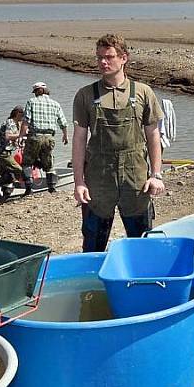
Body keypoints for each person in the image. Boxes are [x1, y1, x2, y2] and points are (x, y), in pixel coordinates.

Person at [72, 34, 165, 252]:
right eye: (99, 58)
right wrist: (79, 182)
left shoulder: (143, 92)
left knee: (141, 244)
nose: (103, 62)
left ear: (124, 58)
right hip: (99, 180)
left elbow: (153, 135)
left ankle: (141, 283)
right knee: (93, 245)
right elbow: (78, 140)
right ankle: (93, 283)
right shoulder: (85, 95)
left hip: (135, 178)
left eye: (109, 57)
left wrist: (156, 175)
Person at [20, 81, 68, 195]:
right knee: (49, 163)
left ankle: (28, 189)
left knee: (27, 162)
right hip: (49, 137)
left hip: (35, 136)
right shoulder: (55, 104)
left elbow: (26, 121)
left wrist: (21, 136)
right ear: (46, 91)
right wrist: (65, 136)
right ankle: (51, 188)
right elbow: (63, 122)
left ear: (37, 92)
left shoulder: (31, 102)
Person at [0, 105, 24, 201]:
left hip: (4, 153)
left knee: (8, 176)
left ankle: (2, 196)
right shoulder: (10, 122)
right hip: (3, 153)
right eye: (23, 115)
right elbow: (8, 136)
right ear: (18, 113)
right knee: (19, 170)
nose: (24, 118)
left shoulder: (16, 123)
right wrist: (22, 135)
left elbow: (14, 139)